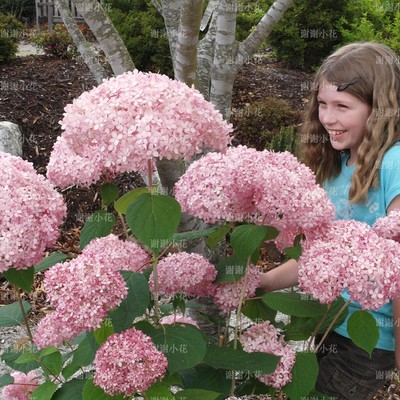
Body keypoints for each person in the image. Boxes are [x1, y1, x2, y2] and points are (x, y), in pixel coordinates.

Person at [259, 42, 400, 399]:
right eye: (322, 104)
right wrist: (261, 284)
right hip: (330, 325)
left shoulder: (394, 165)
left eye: (342, 106)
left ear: (380, 110)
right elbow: (314, 253)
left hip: (370, 345)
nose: (328, 118)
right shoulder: (336, 166)